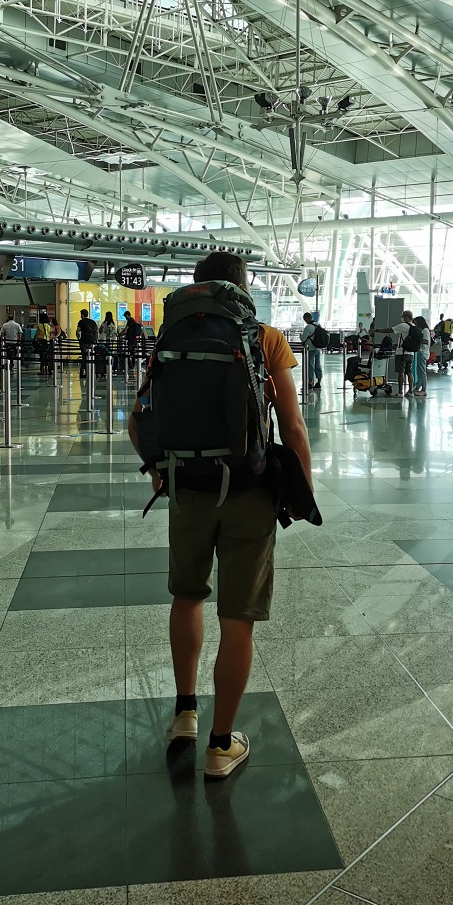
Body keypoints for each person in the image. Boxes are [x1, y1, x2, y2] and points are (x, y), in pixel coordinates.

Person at [128, 251, 312, 780]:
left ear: (196, 287)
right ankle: (220, 744)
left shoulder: (171, 336)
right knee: (238, 618)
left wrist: (161, 471)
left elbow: (139, 417)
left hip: (188, 488)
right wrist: (303, 488)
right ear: (243, 286)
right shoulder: (266, 337)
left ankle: (184, 715)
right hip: (251, 489)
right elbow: (293, 427)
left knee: (186, 596)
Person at [301, 311, 323, 390]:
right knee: (318, 366)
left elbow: (303, 339)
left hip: (310, 349)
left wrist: (301, 337)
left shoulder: (308, 327)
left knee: (310, 366)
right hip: (318, 348)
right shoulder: (317, 325)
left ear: (306, 318)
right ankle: (318, 382)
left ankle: (310, 383)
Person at [76, 308, 99, 378]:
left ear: (82, 315)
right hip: (92, 342)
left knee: (84, 356)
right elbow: (97, 331)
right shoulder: (93, 322)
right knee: (91, 356)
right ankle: (92, 370)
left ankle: (83, 370)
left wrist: (79, 339)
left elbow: (77, 331)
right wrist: (96, 340)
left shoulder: (81, 322)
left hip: (84, 341)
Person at [412, 315, 431, 398]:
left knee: (422, 372)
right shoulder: (424, 330)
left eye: (416, 323)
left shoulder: (425, 331)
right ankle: (417, 387)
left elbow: (426, 341)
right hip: (421, 352)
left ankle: (424, 389)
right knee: (419, 371)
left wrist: (417, 340)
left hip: (423, 352)